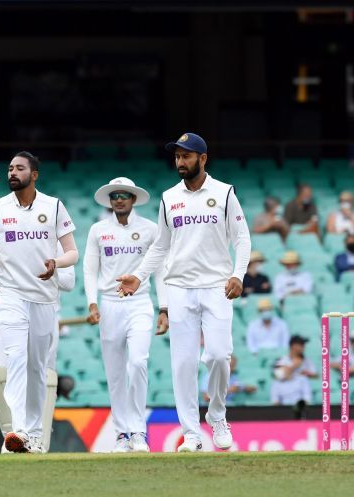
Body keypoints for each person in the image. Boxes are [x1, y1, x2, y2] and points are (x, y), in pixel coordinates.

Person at [117, 132, 251, 452]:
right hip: (179, 288)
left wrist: (238, 274)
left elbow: (242, 238)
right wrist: (138, 276)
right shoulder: (168, 198)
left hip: (217, 286)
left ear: (203, 159)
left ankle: (217, 416)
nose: (180, 162)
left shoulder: (224, 193)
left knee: (219, 355)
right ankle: (191, 433)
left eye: (187, 156)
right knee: (183, 363)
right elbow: (160, 246)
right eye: (177, 156)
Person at [0, 150, 78, 453]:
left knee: (37, 368)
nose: (12, 173)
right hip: (11, 295)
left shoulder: (54, 206)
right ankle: (17, 430)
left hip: (44, 299)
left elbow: (73, 252)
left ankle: (32, 433)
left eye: (19, 168)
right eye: (9, 168)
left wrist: (56, 262)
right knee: (16, 357)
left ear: (34, 175)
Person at [0, 242, 75, 454]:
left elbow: (69, 281)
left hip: (44, 313)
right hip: (11, 313)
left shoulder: (55, 242)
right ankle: (13, 436)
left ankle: (36, 436)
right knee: (1, 373)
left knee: (39, 375)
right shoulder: (12, 238)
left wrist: (34, 270)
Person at [82, 177, 166, 453]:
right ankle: (122, 434)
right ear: (110, 200)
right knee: (116, 373)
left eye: (124, 195)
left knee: (138, 363)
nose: (119, 199)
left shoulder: (151, 229)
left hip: (140, 302)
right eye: (115, 195)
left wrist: (164, 307)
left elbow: (160, 272)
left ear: (133, 199)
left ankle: (139, 431)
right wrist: (92, 302)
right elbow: (90, 269)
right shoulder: (98, 230)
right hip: (109, 304)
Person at [270, 335, 317, 406]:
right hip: (285, 393)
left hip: (301, 391)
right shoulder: (282, 360)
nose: (303, 347)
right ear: (293, 346)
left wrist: (305, 373)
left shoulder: (306, 361)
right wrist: (294, 366)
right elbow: (278, 376)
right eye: (301, 345)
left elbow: (315, 375)